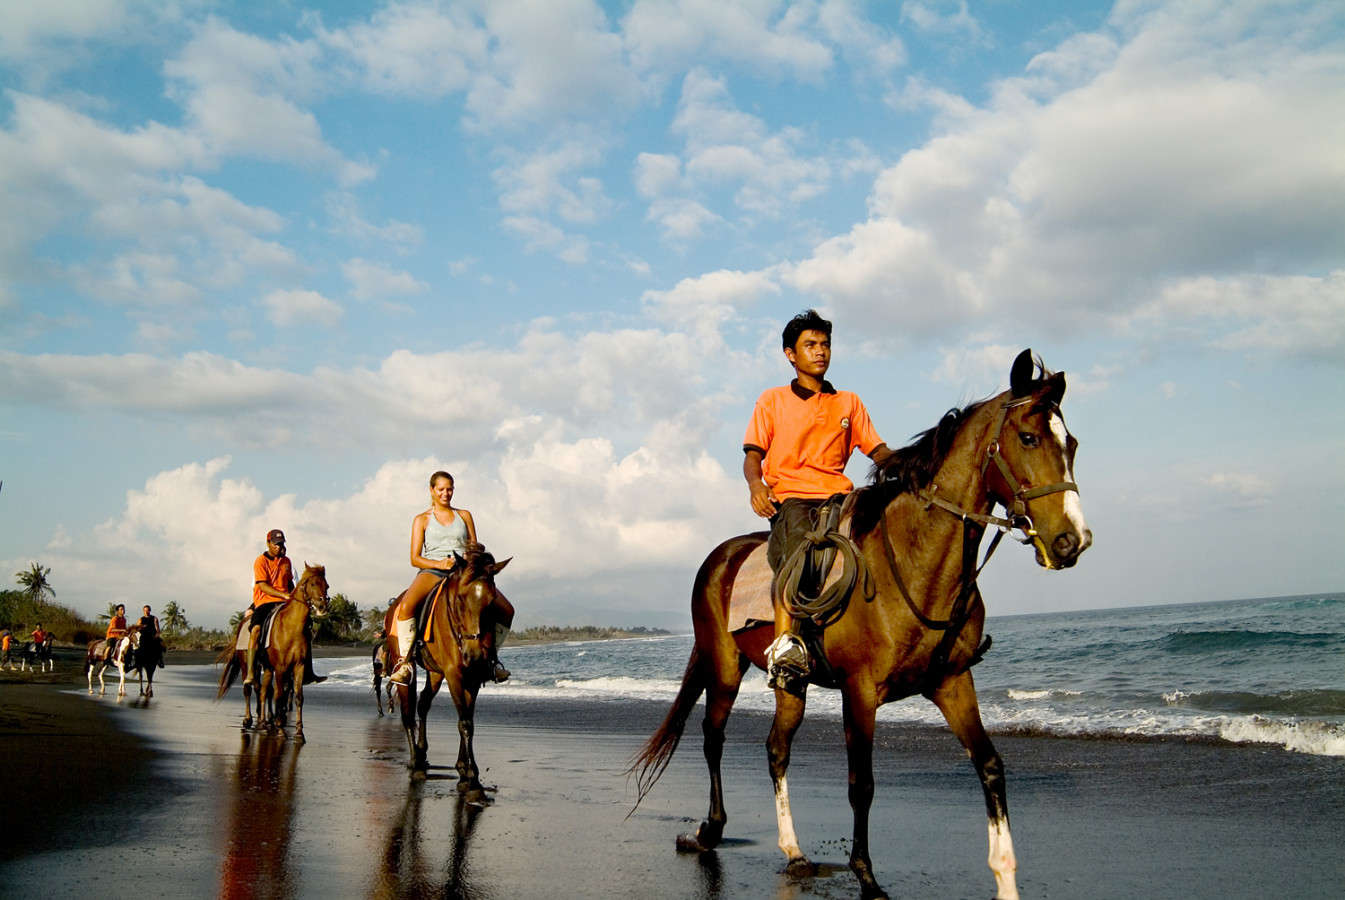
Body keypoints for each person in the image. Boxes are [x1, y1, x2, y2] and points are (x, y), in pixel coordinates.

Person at [742, 309, 894, 690]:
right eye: (810, 345)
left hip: (841, 495)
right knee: (797, 556)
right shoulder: (772, 400)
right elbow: (752, 456)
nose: (820, 351)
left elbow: (877, 451)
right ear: (790, 354)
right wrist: (757, 487)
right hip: (794, 498)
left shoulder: (849, 402)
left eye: (825, 344)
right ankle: (785, 646)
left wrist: (915, 463)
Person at [387, 471, 513, 685]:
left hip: (464, 572)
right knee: (407, 606)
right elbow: (414, 558)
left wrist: (473, 558)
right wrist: (439, 564)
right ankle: (405, 663)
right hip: (433, 571)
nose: (446, 493)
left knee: (506, 609)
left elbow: (475, 546)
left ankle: (492, 660)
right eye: (441, 489)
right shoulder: (422, 520)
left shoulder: (464, 515)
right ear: (432, 490)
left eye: (450, 489)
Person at [243, 529, 324, 686]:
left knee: (305, 628)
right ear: (268, 544)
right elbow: (262, 586)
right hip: (265, 601)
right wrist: (283, 595)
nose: (279, 547)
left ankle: (308, 671)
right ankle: (251, 672)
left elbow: (289, 584)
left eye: (281, 544)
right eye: (276, 544)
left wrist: (295, 596)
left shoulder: (287, 561)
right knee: (255, 630)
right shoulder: (260, 561)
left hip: (285, 601)